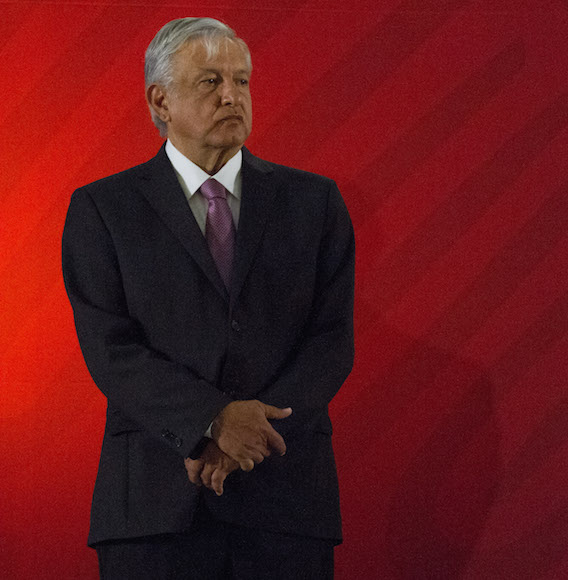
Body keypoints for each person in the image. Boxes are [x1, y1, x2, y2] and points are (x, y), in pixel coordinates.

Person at [61, 17, 354, 579]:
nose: (231, 95)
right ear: (160, 100)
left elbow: (331, 342)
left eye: (242, 81)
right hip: (155, 507)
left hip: (287, 505)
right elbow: (111, 349)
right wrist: (212, 421)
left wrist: (252, 437)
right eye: (210, 81)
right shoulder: (103, 209)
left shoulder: (314, 203)